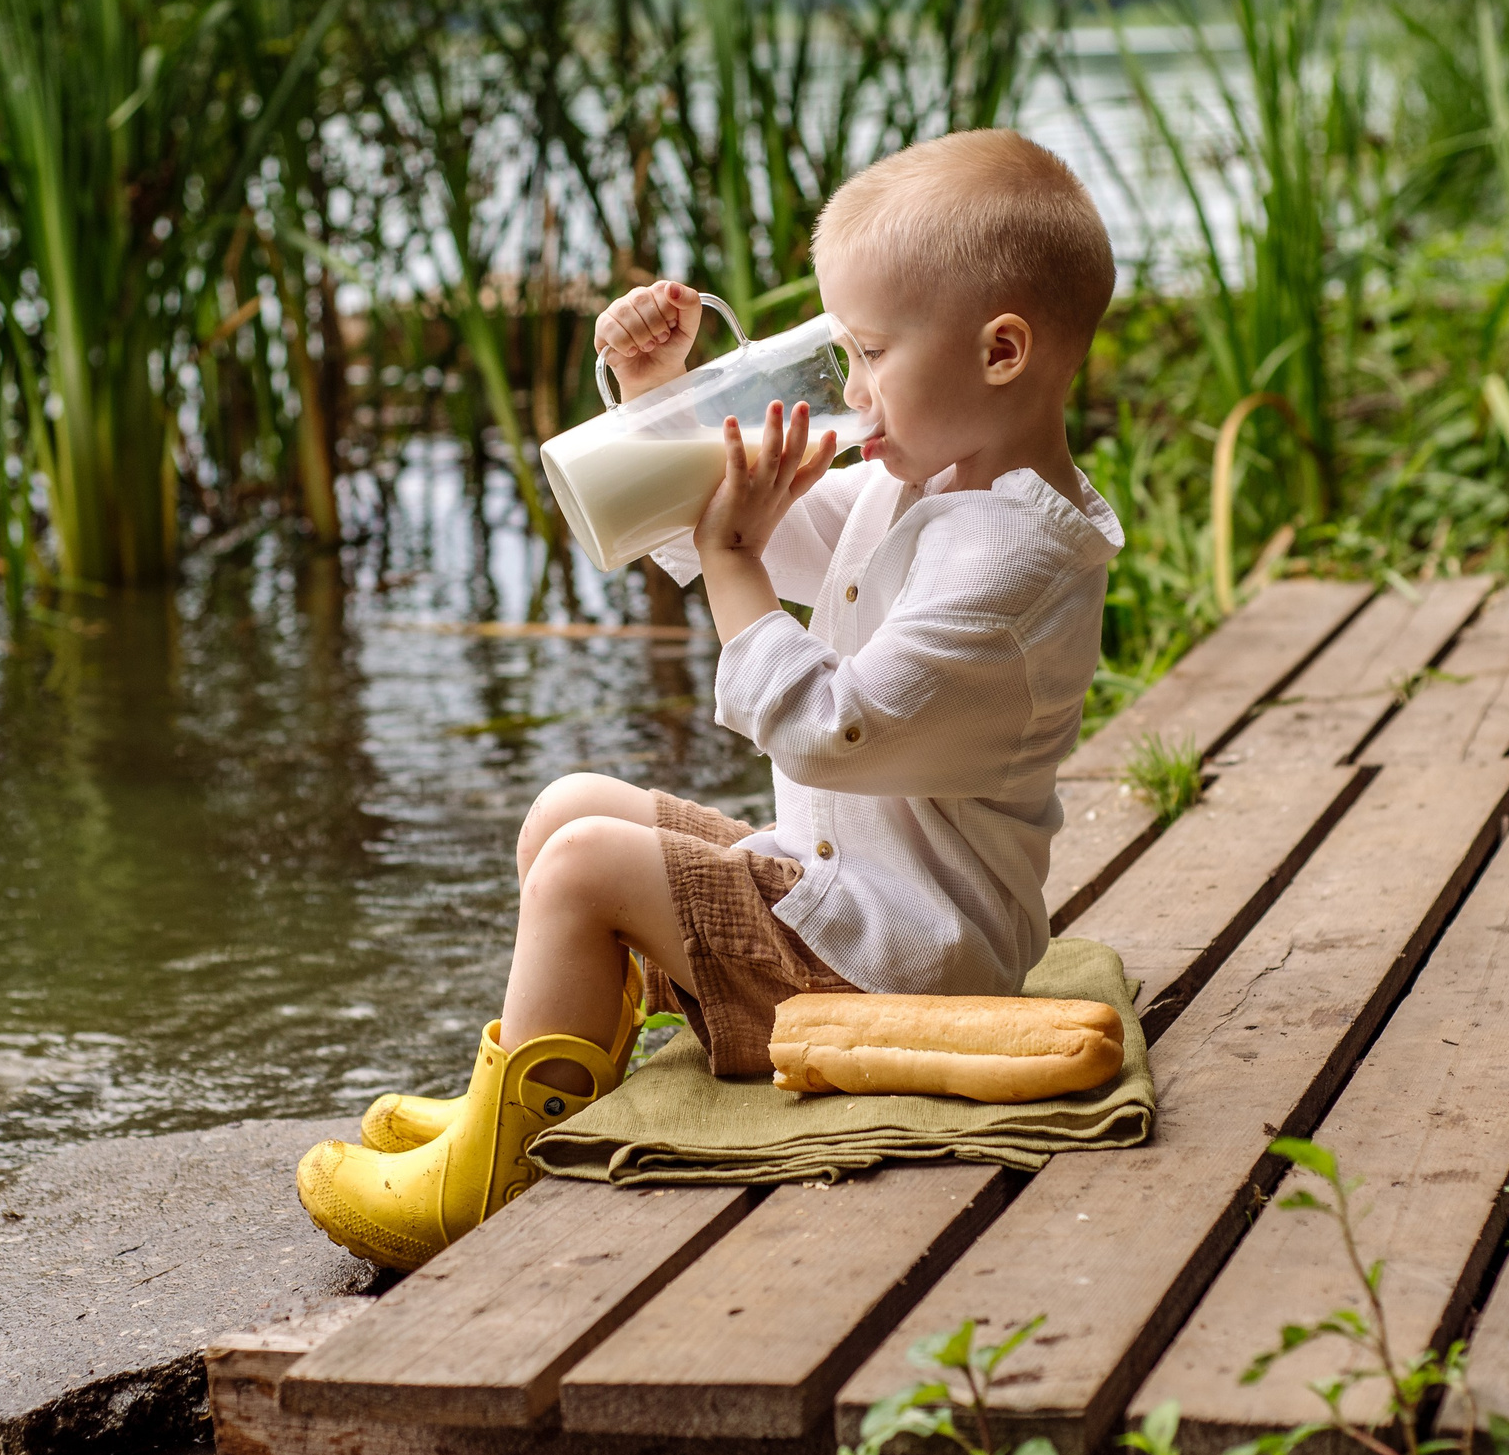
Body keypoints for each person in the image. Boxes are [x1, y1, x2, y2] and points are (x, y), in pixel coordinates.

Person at [295, 128, 1125, 1270]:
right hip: (850, 905)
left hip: (902, 965)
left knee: (583, 868)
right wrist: (664, 404)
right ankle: (537, 1078)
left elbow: (828, 729)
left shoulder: (1009, 565)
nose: (850, 388)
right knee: (566, 810)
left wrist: (736, 561)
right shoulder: (937, 483)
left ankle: (495, 1171)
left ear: (1000, 351)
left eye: (870, 352)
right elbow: (756, 533)